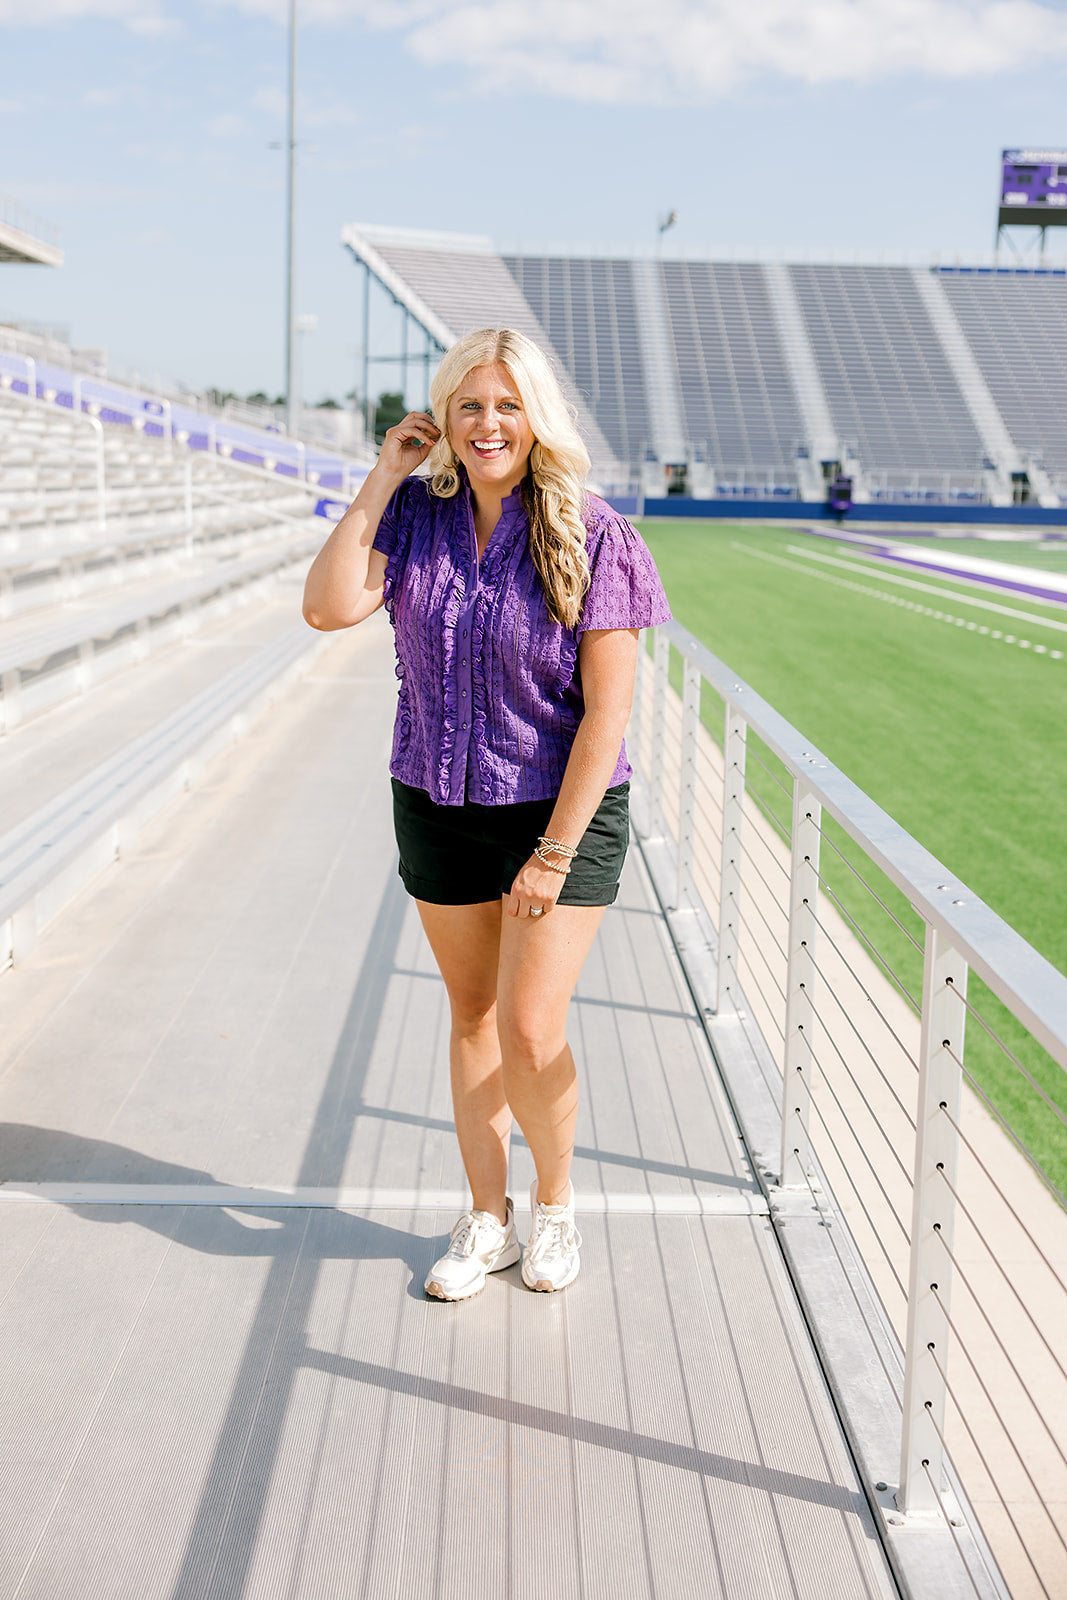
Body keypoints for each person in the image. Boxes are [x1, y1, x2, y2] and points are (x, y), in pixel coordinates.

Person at [303, 327, 670, 1301]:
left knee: (530, 1031)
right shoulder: (416, 516)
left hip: (558, 813)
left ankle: (555, 1206)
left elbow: (607, 716)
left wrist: (552, 853)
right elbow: (328, 606)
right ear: (444, 416)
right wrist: (383, 475)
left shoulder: (592, 532)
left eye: (508, 405)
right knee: (472, 1014)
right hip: (435, 799)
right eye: (469, 405)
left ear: (536, 417)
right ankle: (485, 1218)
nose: (488, 423)